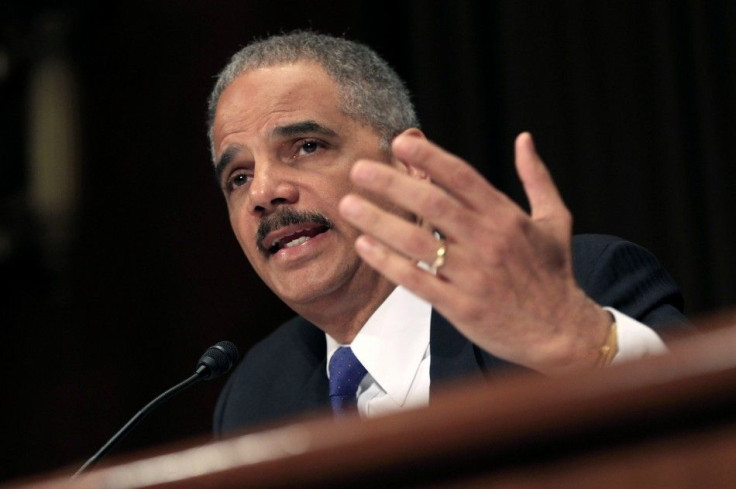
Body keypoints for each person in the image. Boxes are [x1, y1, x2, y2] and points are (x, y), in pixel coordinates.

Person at [207, 31, 686, 435]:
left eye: (307, 147)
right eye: (239, 177)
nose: (264, 192)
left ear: (409, 163)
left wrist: (588, 346)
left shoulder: (571, 290)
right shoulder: (254, 400)